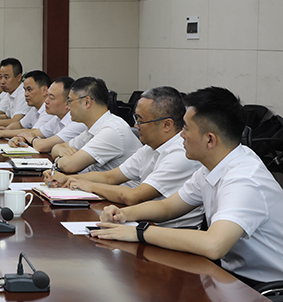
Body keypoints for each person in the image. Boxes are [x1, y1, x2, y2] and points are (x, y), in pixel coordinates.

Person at [92, 87, 283, 285]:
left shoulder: (244, 179)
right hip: (233, 277)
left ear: (210, 139)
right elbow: (167, 207)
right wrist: (124, 214)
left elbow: (213, 245)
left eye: (186, 128)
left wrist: (139, 232)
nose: (181, 135)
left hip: (269, 288)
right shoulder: (211, 167)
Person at [46, 86, 203, 228]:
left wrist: (88, 185)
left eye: (141, 120)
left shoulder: (180, 154)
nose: (135, 126)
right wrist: (69, 180)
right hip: (144, 222)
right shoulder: (149, 148)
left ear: (167, 125)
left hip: (169, 231)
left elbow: (133, 196)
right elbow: (110, 177)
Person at [49, 76, 141, 174]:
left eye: (70, 101)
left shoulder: (111, 130)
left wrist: (58, 159)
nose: (68, 106)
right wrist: (61, 152)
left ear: (87, 102)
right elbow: (56, 147)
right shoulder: (93, 128)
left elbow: (69, 166)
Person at [9, 76, 87, 153]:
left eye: (51, 98)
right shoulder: (57, 119)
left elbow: (41, 146)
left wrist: (30, 139)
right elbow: (35, 133)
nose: (46, 101)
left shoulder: (78, 122)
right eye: (47, 96)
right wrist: (21, 138)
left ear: (67, 103)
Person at [0, 70, 53, 138]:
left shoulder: (50, 110)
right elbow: (20, 124)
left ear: (44, 90)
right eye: (25, 90)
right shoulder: (34, 109)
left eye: (29, 90)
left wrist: (2, 133)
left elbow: (34, 132)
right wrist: (7, 129)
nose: (26, 94)